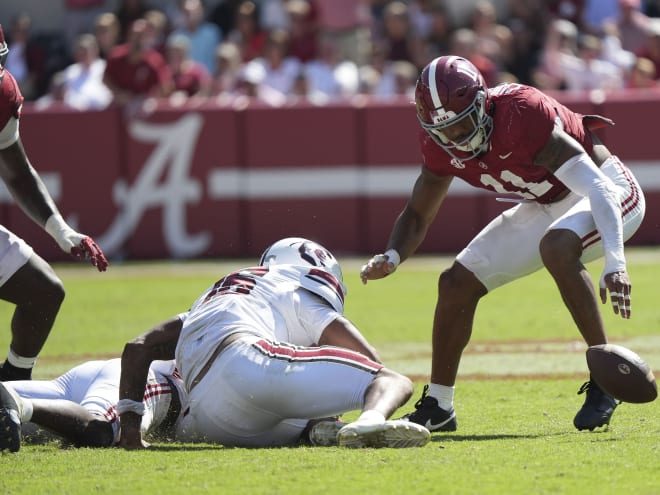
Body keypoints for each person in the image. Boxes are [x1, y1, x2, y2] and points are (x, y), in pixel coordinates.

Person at [359, 55, 646, 433]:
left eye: (462, 126)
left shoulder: (520, 113)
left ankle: (605, 378)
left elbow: (596, 187)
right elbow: (417, 212)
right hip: (545, 200)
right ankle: (439, 406)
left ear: (482, 104)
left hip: (608, 189)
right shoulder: (439, 142)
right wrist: (392, 255)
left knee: (557, 246)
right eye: (444, 131)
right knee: (456, 283)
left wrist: (616, 262)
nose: (456, 139)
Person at [117, 237, 431, 449]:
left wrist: (130, 430)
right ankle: (370, 423)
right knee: (392, 381)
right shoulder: (293, 287)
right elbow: (368, 360)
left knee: (290, 408)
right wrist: (370, 394)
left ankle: (317, 430)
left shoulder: (215, 297)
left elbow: (137, 348)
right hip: (249, 362)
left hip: (204, 418)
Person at [0, 25, 109, 383]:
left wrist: (59, 228)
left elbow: (15, 171)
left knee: (44, 292)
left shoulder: (2, 93)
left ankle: (11, 389)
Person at [0, 358, 183, 453]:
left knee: (5, 407)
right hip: (148, 383)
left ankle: (17, 404)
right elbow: (139, 346)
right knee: (100, 431)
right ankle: (21, 405)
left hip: (105, 374)